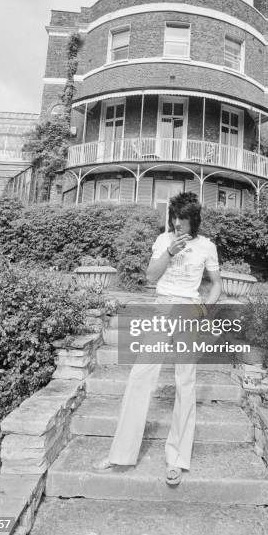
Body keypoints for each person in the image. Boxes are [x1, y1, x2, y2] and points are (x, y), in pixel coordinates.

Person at [94, 192, 222, 485]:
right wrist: (170, 253)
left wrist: (206, 307)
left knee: (185, 383)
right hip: (162, 307)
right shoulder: (164, 240)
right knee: (140, 376)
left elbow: (216, 285)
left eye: (184, 219)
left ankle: (177, 459)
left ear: (194, 220)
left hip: (188, 310)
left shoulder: (207, 247)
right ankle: (120, 454)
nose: (178, 224)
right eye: (174, 218)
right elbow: (151, 277)